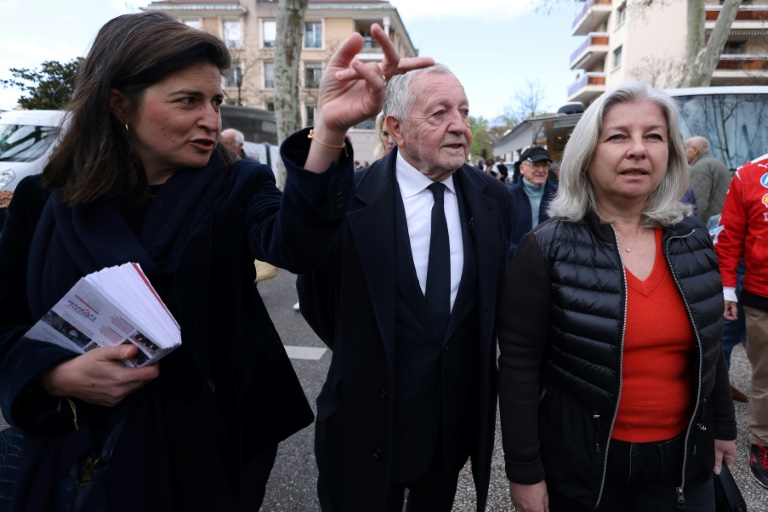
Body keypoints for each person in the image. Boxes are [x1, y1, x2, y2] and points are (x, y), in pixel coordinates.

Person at [0, 12, 432, 510]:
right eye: (188, 100)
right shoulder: (43, 201)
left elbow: (298, 245)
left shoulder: (237, 184)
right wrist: (52, 376)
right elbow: (8, 326)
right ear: (120, 103)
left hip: (216, 454)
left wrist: (329, 131)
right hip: (76, 450)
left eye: (216, 101)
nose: (212, 119)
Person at [498, 81, 737, 512]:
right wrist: (524, 470)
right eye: (618, 136)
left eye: (653, 136)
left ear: (671, 153)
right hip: (584, 468)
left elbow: (712, 345)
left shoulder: (694, 240)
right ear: (587, 155)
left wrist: (723, 424)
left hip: (682, 461)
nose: (638, 150)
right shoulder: (545, 248)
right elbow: (518, 366)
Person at [295, 64, 513, 511]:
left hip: (449, 435)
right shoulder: (348, 202)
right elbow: (320, 303)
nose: (459, 126)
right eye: (439, 113)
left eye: (464, 111)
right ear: (394, 128)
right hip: (363, 426)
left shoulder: (494, 200)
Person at [714, 153, 768, 488]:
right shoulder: (750, 173)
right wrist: (727, 289)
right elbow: (729, 234)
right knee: (766, 376)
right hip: (763, 296)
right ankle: (763, 443)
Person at [507, 146, 557, 258]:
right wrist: (520, 253)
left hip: (551, 265)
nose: (540, 170)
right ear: (521, 168)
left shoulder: (558, 196)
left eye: (544, 165)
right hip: (516, 264)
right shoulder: (509, 196)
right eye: (535, 165)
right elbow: (500, 235)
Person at [685, 135, 731, 224]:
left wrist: (692, 228)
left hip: (710, 226)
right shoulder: (717, 163)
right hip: (722, 221)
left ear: (694, 150)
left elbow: (698, 205)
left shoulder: (700, 168)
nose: (683, 153)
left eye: (685, 149)